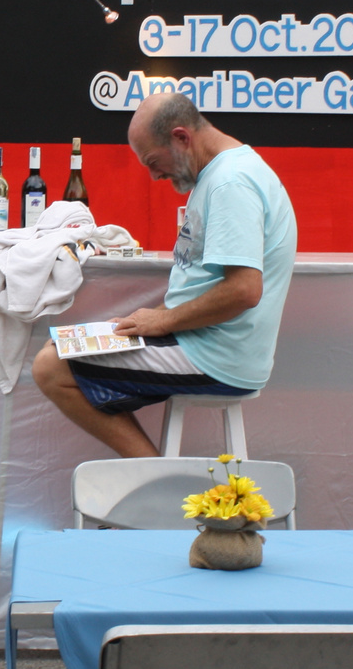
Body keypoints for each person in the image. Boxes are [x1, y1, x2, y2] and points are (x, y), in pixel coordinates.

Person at [32, 92, 297, 458]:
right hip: (206, 344)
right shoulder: (223, 174)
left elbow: (244, 291)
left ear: (181, 137)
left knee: (50, 367)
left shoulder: (230, 183)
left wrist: (163, 321)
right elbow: (206, 283)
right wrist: (151, 319)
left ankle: (159, 488)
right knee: (62, 346)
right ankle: (158, 484)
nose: (155, 175)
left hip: (217, 356)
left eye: (153, 161)